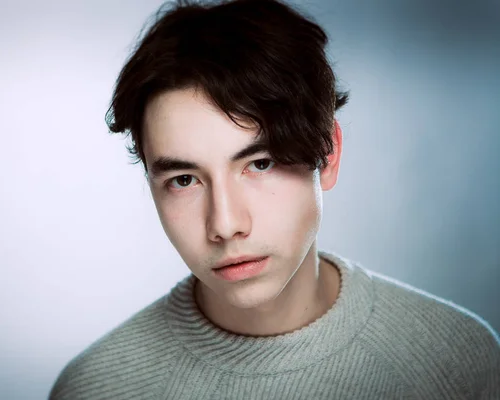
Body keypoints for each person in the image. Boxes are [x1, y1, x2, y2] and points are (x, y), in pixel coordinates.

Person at [49, 0, 500, 398]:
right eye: (185, 179)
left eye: (259, 163)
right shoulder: (96, 387)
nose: (225, 224)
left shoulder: (455, 361)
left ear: (327, 153)